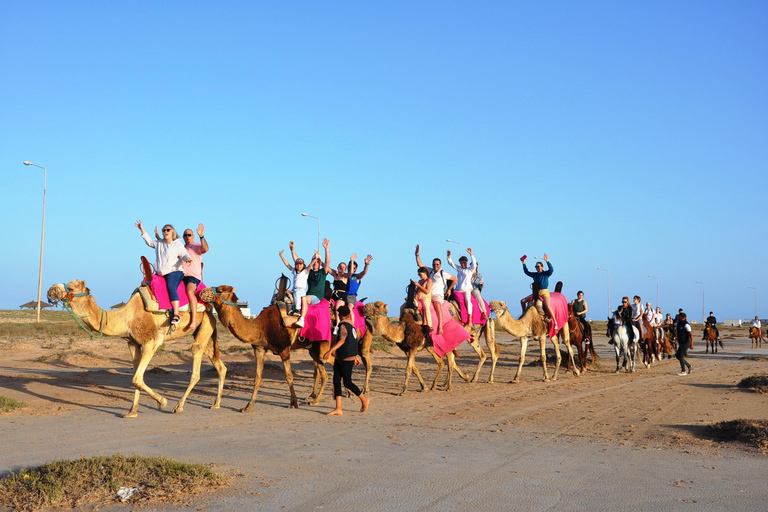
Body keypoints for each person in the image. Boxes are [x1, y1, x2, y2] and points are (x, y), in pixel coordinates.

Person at [136, 220, 191, 325]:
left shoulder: (177, 244)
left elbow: (184, 253)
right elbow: (149, 241)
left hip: (174, 271)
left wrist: (188, 258)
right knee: (146, 283)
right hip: (161, 273)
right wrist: (141, 228)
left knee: (171, 286)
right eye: (164, 230)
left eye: (168, 230)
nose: (166, 231)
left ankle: (176, 313)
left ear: (172, 233)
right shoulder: (159, 243)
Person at [323, 304, 370, 415]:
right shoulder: (352, 326)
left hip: (345, 357)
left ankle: (364, 399)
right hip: (343, 357)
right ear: (349, 314)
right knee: (336, 381)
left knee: (347, 383)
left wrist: (330, 351)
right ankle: (339, 408)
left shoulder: (343, 326)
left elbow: (343, 341)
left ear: (339, 315)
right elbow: (353, 341)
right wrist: (355, 356)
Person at [415, 245, 456, 334]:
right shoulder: (429, 271)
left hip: (438, 295)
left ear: (440, 265)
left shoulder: (443, 273)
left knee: (437, 304)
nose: (435, 266)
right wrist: (417, 254)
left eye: (437, 264)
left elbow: (455, 279)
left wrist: (449, 289)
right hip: (428, 294)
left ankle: (440, 326)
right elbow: (420, 264)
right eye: (434, 264)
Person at [295, 238, 331, 329]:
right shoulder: (308, 272)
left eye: (318, 261)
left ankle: (302, 319)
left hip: (316, 297)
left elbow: (327, 262)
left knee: (304, 298)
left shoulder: (323, 272)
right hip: (307, 294)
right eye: (314, 260)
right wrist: (292, 249)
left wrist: (326, 249)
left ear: (320, 263)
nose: (316, 262)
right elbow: (297, 262)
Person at [181, 224, 209, 331]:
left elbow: (205, 249)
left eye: (189, 235)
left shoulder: (197, 245)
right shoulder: (181, 248)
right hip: (180, 276)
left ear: (193, 236)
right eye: (185, 235)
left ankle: (193, 320)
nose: (187, 237)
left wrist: (201, 236)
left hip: (192, 277)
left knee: (189, 291)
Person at [447, 248, 487, 321]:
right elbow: (451, 263)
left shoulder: (470, 270)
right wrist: (449, 256)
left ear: (467, 262)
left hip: (467, 290)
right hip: (458, 289)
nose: (463, 264)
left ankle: (470, 319)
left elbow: (474, 263)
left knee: (468, 301)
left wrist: (471, 254)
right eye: (461, 263)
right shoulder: (459, 269)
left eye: (464, 263)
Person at [522, 254, 557, 330]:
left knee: (547, 306)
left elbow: (551, 270)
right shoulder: (534, 275)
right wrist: (523, 263)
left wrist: (547, 261)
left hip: (544, 292)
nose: (537, 268)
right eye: (536, 266)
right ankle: (523, 314)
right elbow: (526, 272)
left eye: (538, 266)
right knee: (523, 301)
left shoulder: (546, 274)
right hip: (536, 292)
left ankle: (555, 322)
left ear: (542, 267)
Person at [278, 241, 308, 314]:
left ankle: (297, 310)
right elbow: (287, 264)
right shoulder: (294, 271)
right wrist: (281, 256)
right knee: (280, 291)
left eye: (300, 264)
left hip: (301, 290)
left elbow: (295, 258)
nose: (299, 265)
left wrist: (292, 250)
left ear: (303, 265)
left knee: (297, 294)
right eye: (297, 264)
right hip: (293, 289)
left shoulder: (305, 272)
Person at [410, 267, 434, 332]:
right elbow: (418, 290)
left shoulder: (429, 280)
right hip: (418, 297)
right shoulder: (420, 281)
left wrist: (419, 285)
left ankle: (429, 325)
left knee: (426, 307)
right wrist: (414, 286)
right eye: (418, 274)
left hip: (425, 297)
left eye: (420, 274)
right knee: (405, 306)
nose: (419, 276)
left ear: (425, 273)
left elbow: (427, 291)